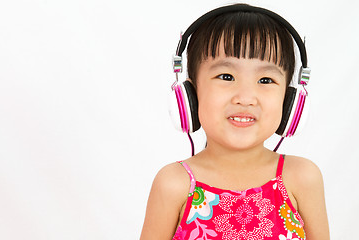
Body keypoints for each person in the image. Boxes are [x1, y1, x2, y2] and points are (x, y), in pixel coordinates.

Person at [140, 3, 329, 240]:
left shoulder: (302, 177)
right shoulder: (173, 184)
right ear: (190, 94)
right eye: (226, 76)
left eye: (266, 80)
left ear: (290, 101)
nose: (246, 98)